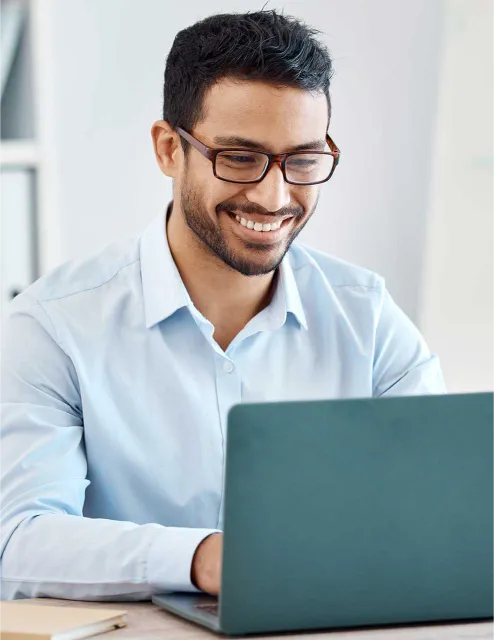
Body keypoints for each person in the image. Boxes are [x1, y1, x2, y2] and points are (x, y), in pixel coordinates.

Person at [0, 10, 445, 602]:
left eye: (303, 161)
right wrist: (204, 558)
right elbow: (19, 543)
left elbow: (444, 508)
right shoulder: (52, 326)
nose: (274, 195)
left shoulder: (366, 317)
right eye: (239, 158)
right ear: (168, 149)